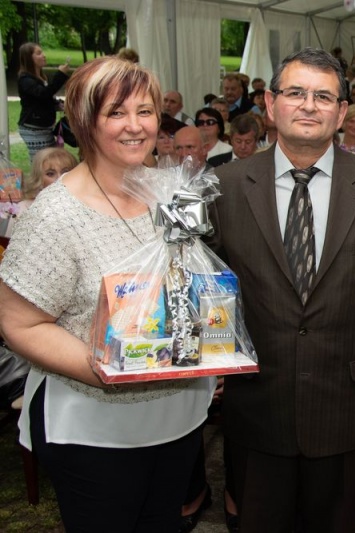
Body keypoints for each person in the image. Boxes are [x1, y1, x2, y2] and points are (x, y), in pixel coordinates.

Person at [0, 55, 215, 531]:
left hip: (178, 418)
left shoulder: (172, 193)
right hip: (94, 431)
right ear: (83, 122)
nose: (135, 126)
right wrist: (106, 369)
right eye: (116, 112)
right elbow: (18, 323)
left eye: (145, 111)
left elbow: (194, 281)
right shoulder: (55, 215)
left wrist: (214, 344)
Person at [210, 48, 355, 532]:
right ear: (270, 103)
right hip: (257, 403)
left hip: (346, 406)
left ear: (342, 112)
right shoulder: (224, 186)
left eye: (323, 97)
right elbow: (207, 284)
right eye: (296, 93)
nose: (309, 105)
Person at [1, 147, 78, 238]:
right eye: (50, 174)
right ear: (39, 178)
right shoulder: (25, 209)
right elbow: (9, 243)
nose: (59, 178)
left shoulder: (83, 204)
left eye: (65, 172)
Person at [16, 43, 71, 160]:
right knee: (42, 161)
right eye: (39, 53)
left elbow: (44, 99)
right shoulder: (25, 79)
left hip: (44, 128)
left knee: (50, 159)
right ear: (29, 58)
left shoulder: (41, 78)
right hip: (33, 128)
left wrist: (59, 104)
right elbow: (43, 94)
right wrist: (60, 75)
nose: (43, 55)